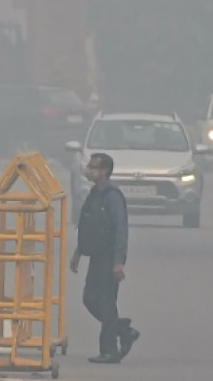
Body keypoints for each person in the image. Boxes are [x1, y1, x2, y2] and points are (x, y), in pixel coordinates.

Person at [69, 152, 137, 363]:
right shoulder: (95, 193)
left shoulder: (112, 195)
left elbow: (120, 230)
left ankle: (109, 350)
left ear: (105, 170)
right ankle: (123, 330)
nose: (89, 169)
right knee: (89, 299)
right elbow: (88, 226)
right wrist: (78, 252)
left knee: (106, 302)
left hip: (109, 259)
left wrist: (118, 262)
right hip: (96, 257)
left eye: (93, 166)